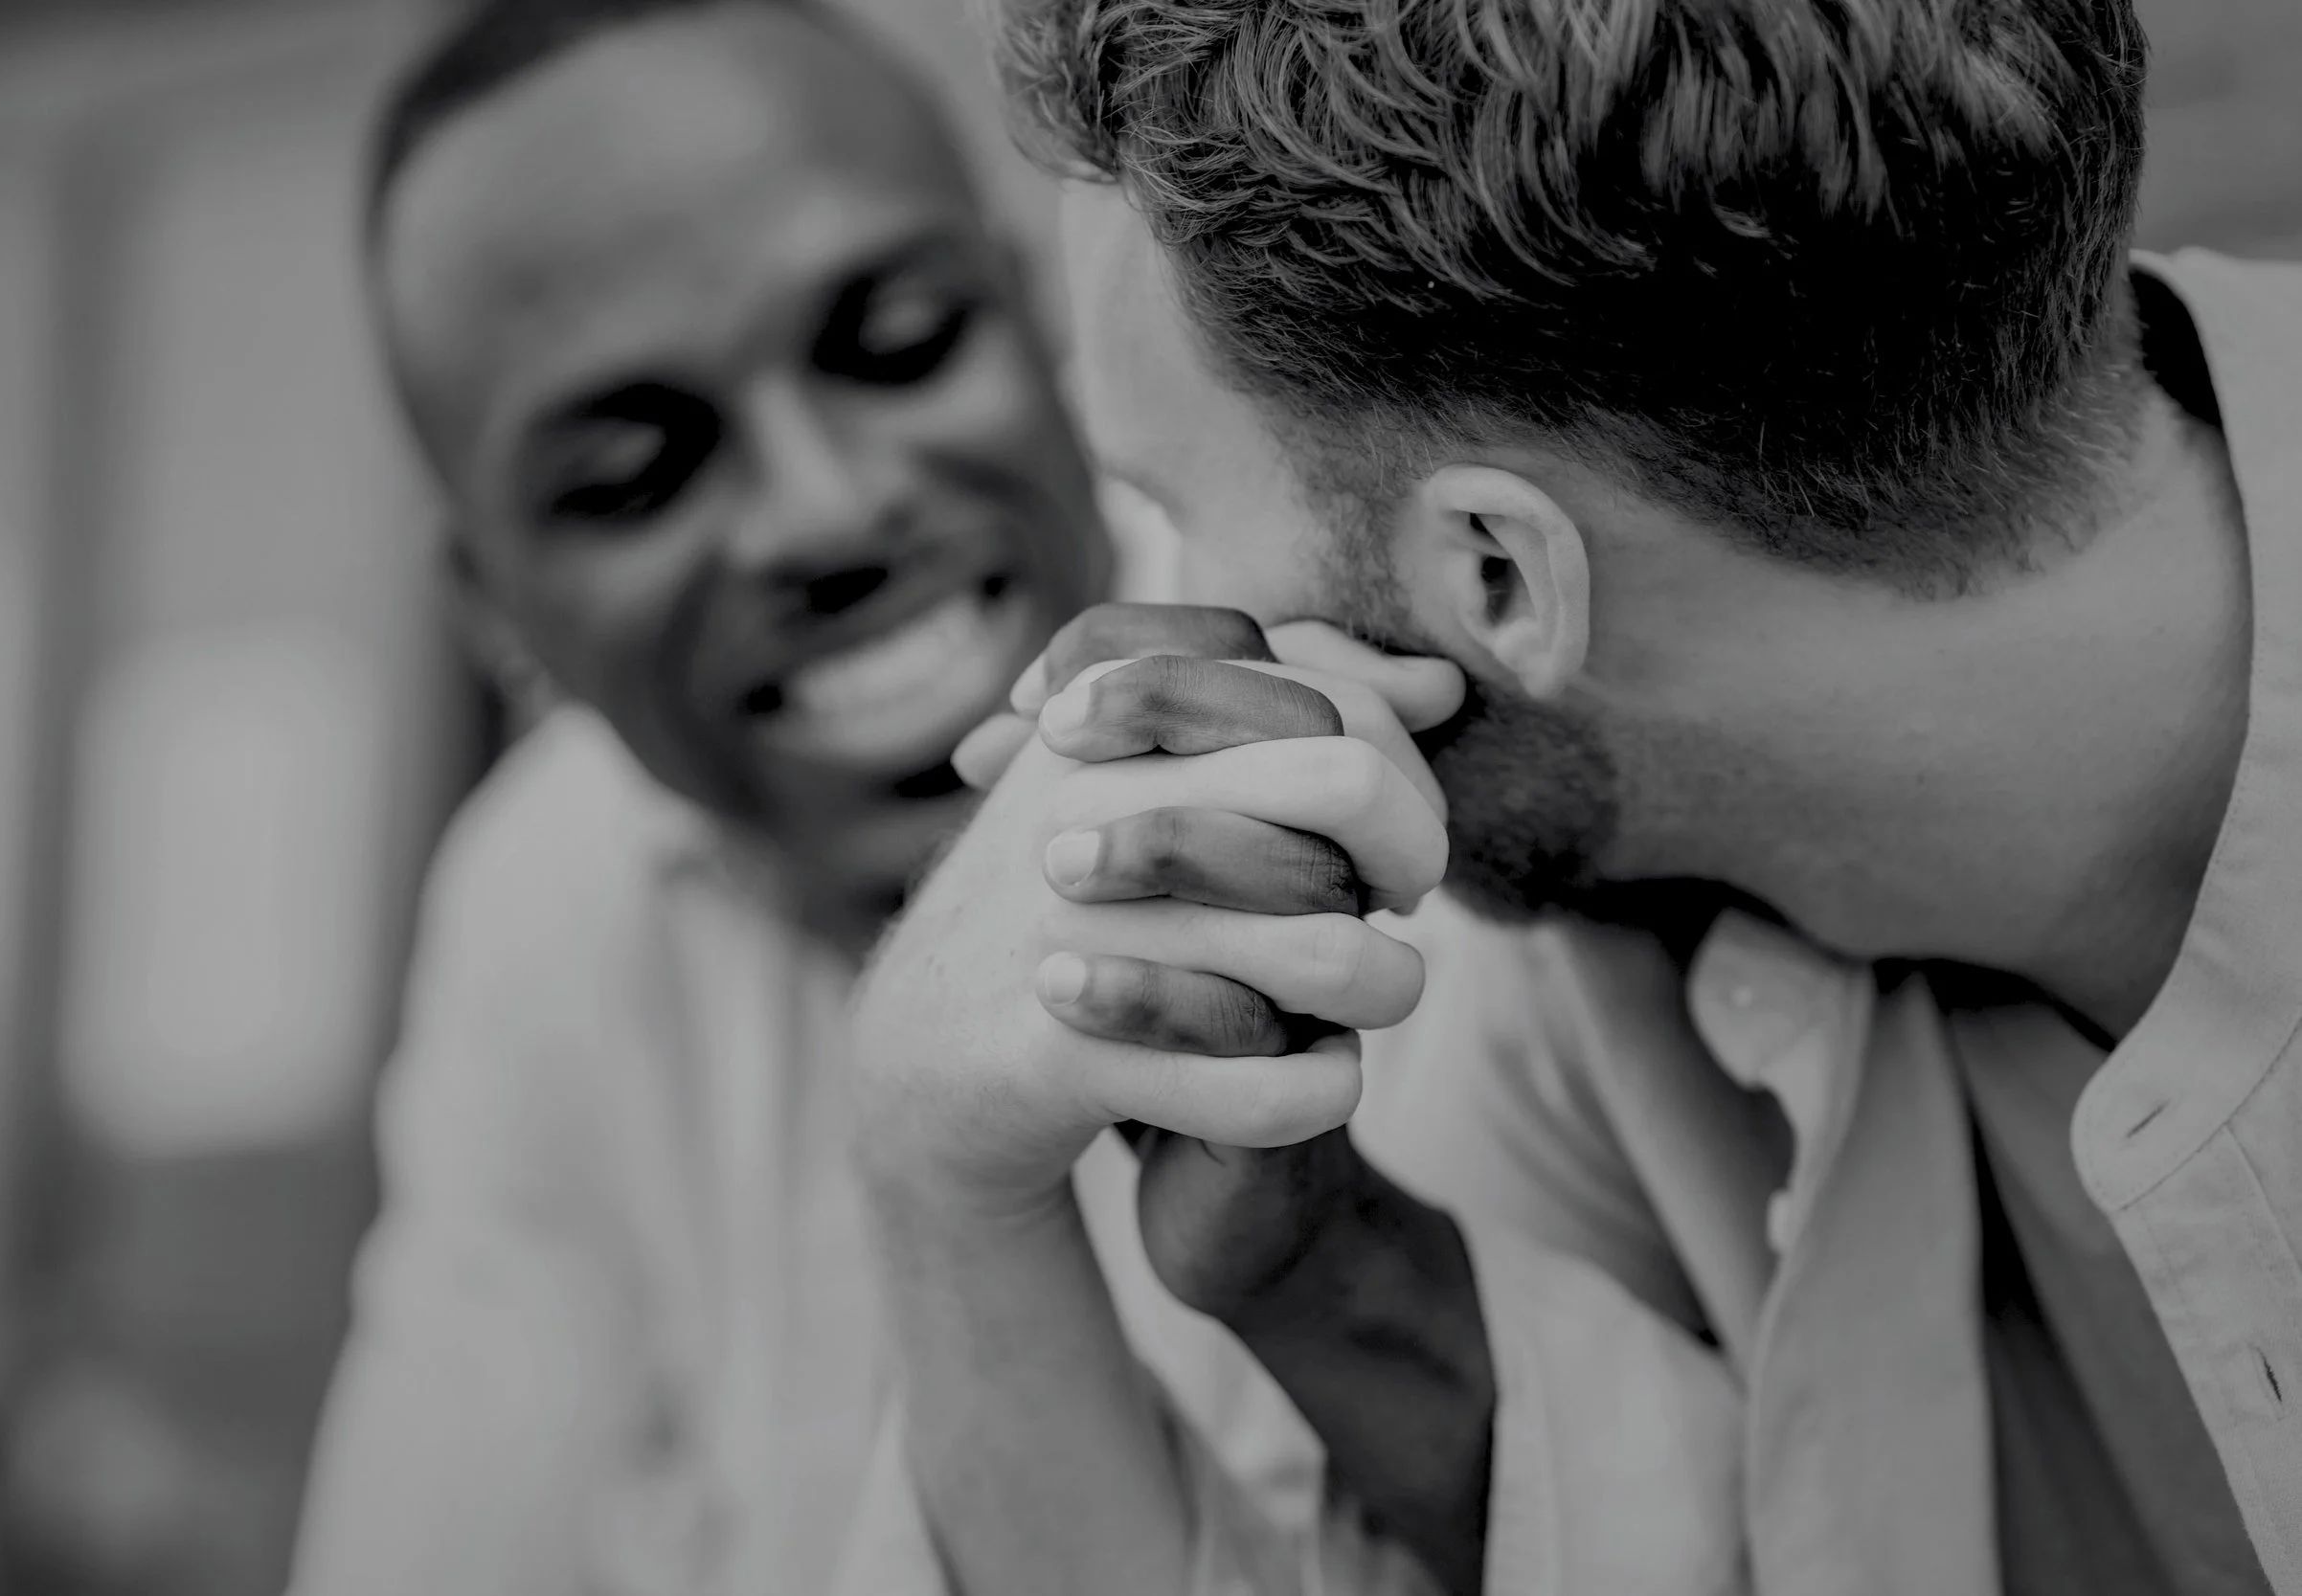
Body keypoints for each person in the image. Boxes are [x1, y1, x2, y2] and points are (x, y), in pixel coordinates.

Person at [843, 1, 2302, 1593]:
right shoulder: (1567, 946)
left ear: (1499, 575)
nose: (1167, 621)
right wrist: (963, 1177)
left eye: (1181, 511)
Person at [282, 2, 1151, 1590]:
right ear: (494, 608)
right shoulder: (550, 886)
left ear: (1037, 323)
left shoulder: (1371, 760)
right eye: (633, 477)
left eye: (898, 344)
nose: (823, 509)